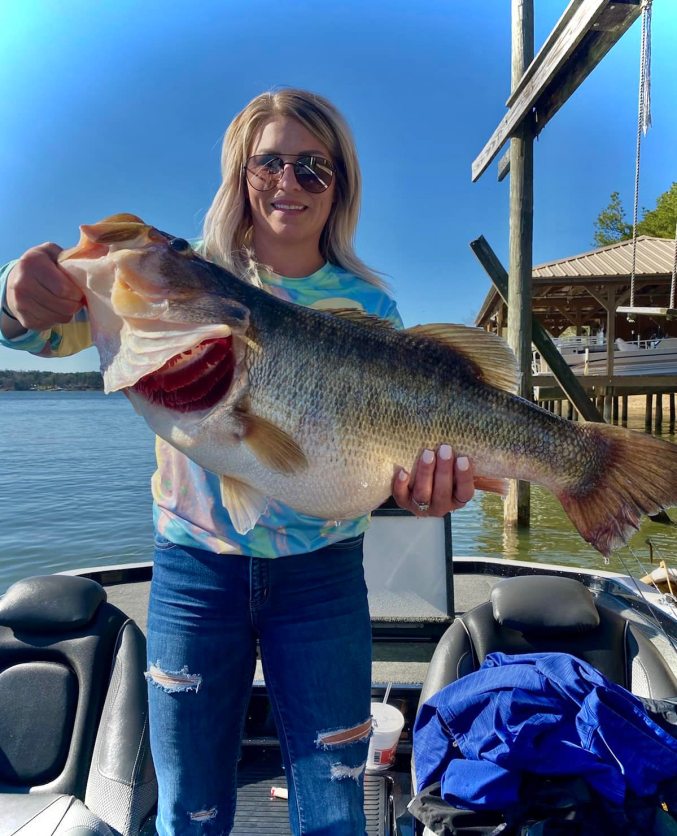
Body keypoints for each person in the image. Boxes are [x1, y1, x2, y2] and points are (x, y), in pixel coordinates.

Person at [0, 88, 475, 835]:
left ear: (340, 185)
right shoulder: (179, 280)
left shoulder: (368, 309)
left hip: (321, 577)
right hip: (194, 570)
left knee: (332, 802)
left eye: (313, 169)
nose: (288, 183)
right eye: (269, 163)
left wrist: (421, 493)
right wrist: (14, 293)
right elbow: (38, 331)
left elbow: (364, 462)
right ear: (240, 175)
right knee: (187, 801)